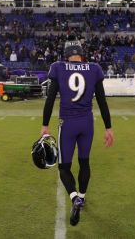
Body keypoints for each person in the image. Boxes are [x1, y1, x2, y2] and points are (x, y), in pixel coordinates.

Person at [41, 39, 114, 227]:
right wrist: (108, 127)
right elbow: (102, 102)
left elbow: (50, 100)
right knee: (84, 162)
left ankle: (74, 198)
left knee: (64, 167)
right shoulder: (94, 68)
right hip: (87, 123)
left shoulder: (58, 67)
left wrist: (44, 125)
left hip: (68, 123)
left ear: (66, 55)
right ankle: (82, 196)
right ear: (81, 55)